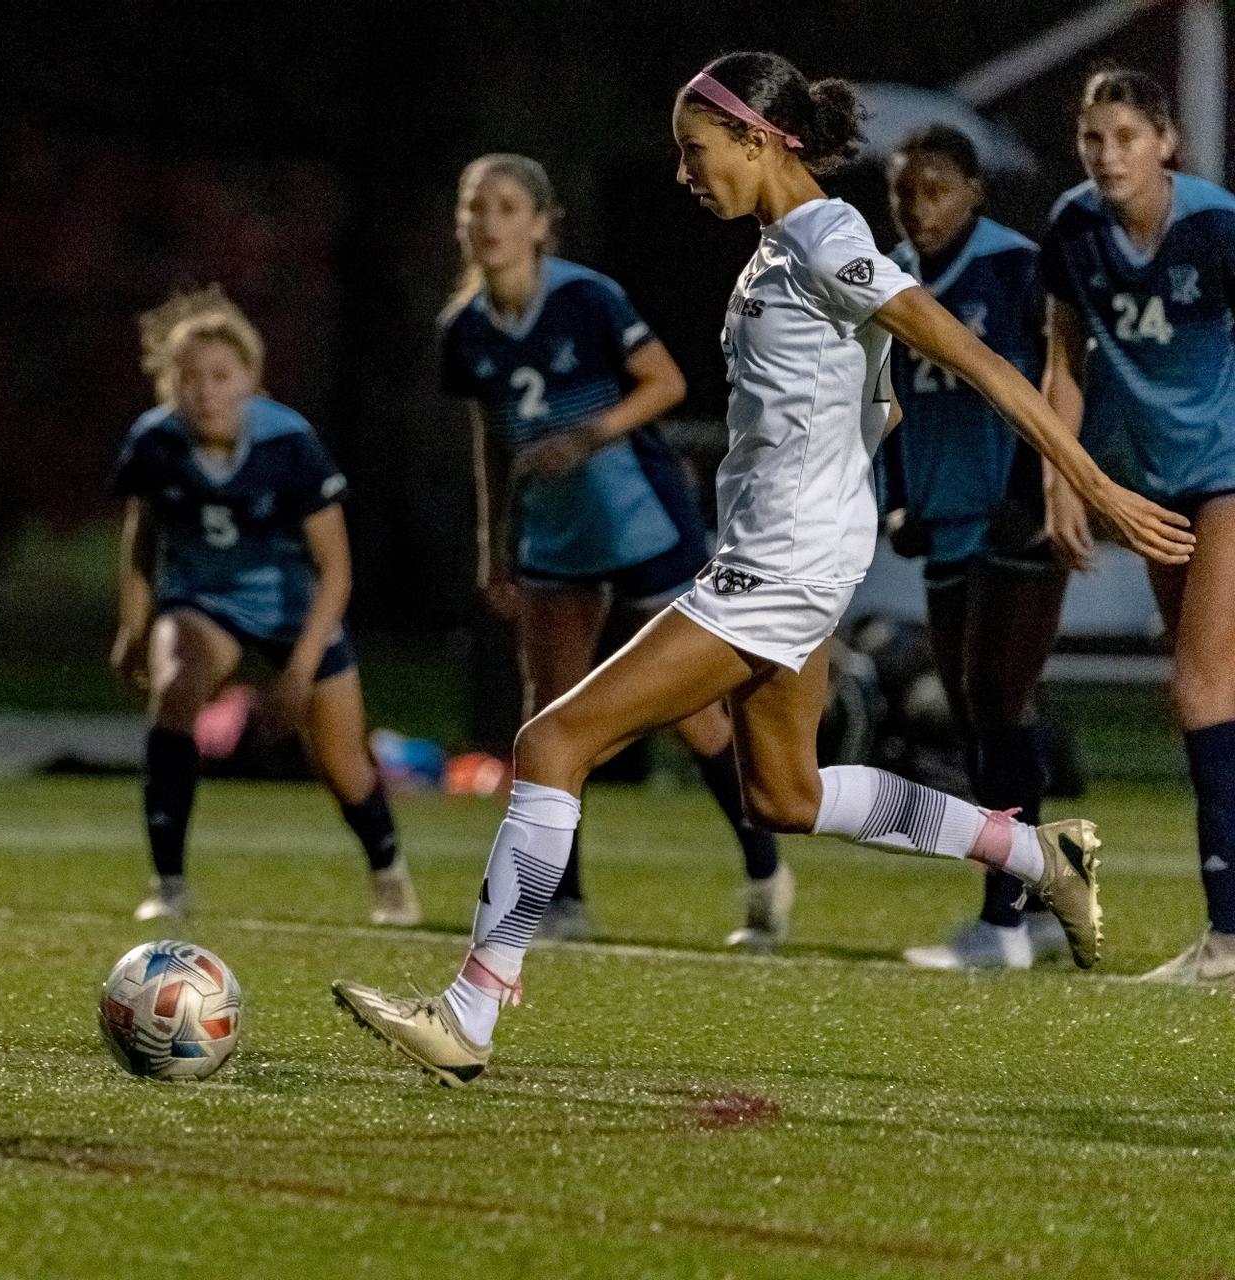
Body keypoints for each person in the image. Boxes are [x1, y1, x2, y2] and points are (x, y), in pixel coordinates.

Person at [331, 51, 1192, 1086]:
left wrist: (1089, 480)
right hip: (789, 553)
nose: (687, 173)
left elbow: (969, 353)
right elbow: (881, 395)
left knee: (550, 740)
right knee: (783, 792)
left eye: (698, 152)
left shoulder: (827, 238)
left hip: (780, 564)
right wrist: (849, 451)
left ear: (761, 139)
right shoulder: (782, 248)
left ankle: (468, 1013)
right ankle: (1038, 854)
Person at [440, 153, 789, 949]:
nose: (486, 222)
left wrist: (586, 436)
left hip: (639, 517)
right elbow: (491, 443)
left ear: (539, 223)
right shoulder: (463, 330)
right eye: (473, 207)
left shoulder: (585, 298)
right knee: (551, 712)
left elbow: (665, 382)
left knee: (692, 714)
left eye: (502, 207)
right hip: (555, 532)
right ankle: (561, 900)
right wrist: (494, 548)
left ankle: (766, 868)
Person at [110, 288, 422, 926]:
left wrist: (300, 671)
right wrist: (134, 624)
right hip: (202, 599)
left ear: (250, 378)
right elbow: (141, 536)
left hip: (294, 610)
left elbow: (335, 570)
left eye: (221, 375)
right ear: (170, 384)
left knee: (342, 765)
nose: (205, 390)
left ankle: (388, 869)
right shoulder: (153, 442)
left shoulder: (289, 442)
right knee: (176, 688)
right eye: (189, 377)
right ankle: (168, 883)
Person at [1037, 71, 1235, 983]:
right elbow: (1062, 358)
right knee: (1210, 691)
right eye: (1093, 139)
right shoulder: (1073, 226)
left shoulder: (1216, 223)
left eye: (1125, 136)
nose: (1108, 155)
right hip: (1155, 484)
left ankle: (1228, 939)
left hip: (1229, 474)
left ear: (1166, 141)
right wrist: (1063, 479)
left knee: (1200, 688)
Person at [877, 127, 1073, 971]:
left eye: (936, 188)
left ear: (975, 189)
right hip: (945, 518)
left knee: (996, 700)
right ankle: (1039, 892)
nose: (920, 207)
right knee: (974, 713)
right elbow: (881, 393)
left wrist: (1042, 489)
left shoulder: (1015, 267)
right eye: (904, 192)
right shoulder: (885, 274)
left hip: (1016, 516)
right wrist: (894, 501)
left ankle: (1005, 919)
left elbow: (1070, 371)